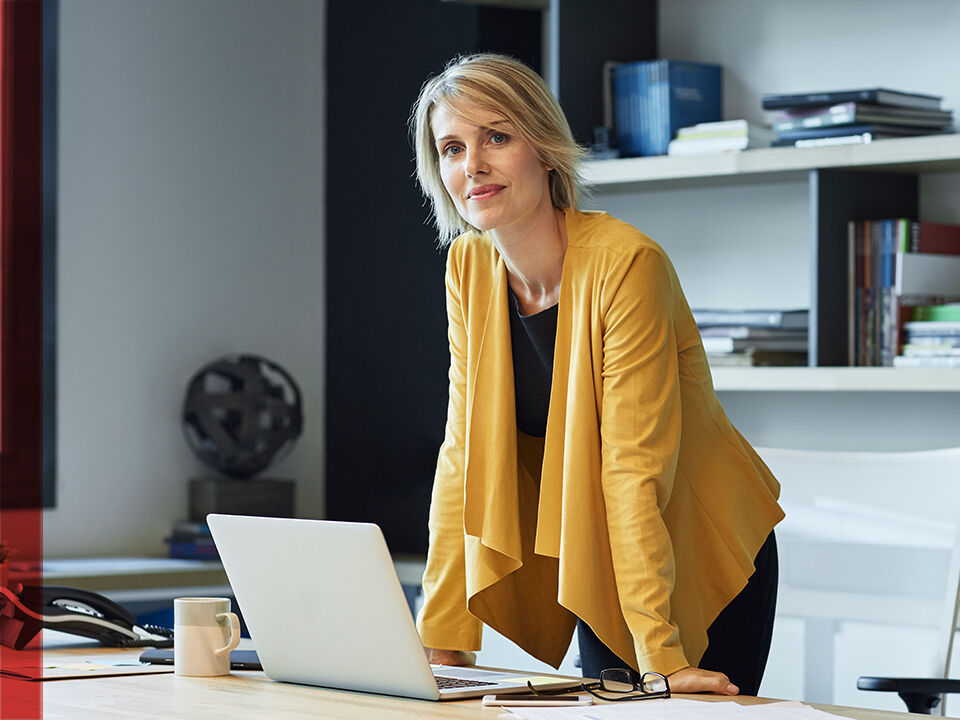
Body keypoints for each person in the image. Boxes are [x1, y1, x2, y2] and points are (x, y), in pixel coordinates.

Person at [410, 53, 784, 697]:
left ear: (545, 148)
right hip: (598, 553)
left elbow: (631, 468)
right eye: (451, 147)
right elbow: (461, 456)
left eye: (497, 137)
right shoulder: (468, 269)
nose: (471, 165)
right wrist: (437, 642)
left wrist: (662, 658)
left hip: (697, 543)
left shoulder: (627, 264)